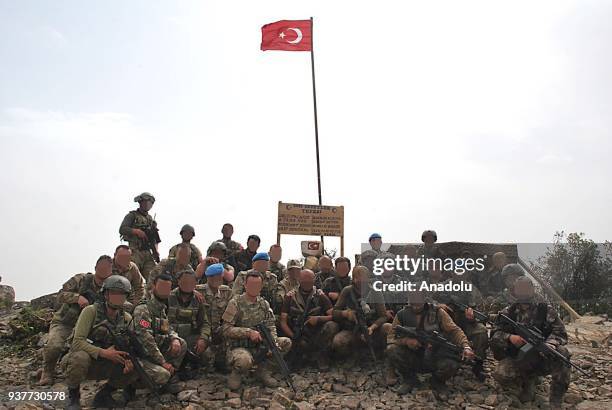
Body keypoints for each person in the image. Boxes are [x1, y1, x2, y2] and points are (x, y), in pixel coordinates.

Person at [490, 277, 571, 408]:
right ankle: (527, 382)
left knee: (563, 355)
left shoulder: (545, 310)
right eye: (519, 289)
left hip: (542, 356)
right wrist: (510, 337)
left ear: (533, 289)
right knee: (501, 374)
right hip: (519, 357)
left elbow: (560, 333)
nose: (523, 292)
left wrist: (550, 343)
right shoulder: (508, 312)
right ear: (515, 291)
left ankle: (556, 400)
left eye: (526, 288)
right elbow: (494, 334)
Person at [62, 275, 138, 409]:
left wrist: (128, 360)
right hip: (85, 361)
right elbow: (77, 342)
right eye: (114, 293)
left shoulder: (127, 319)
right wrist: (104, 353)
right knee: (79, 357)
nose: (118, 297)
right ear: (106, 294)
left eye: (121, 294)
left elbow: (129, 344)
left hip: (108, 363)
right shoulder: (90, 311)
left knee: (135, 365)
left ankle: (105, 394)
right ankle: (73, 396)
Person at [40, 255, 113, 386]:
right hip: (65, 322)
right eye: (101, 268)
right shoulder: (81, 279)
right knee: (54, 346)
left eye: (107, 269)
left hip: (88, 326)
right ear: (96, 267)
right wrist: (77, 297)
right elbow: (61, 295)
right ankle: (47, 371)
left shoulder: (109, 288)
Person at [385, 289, 475, 394]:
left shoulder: (438, 312)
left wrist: (466, 346)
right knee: (391, 349)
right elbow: (391, 337)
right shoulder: (401, 315)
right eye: (413, 303)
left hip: (435, 355)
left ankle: (437, 381)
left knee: (452, 363)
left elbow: (455, 331)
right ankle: (410, 380)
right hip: (413, 356)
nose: (416, 306)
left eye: (419, 303)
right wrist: (406, 341)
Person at [222, 271, 292, 390]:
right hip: (240, 346)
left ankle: (263, 370)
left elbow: (271, 325)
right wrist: (248, 332)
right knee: (244, 361)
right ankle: (237, 373)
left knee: (285, 343)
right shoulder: (235, 303)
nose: (254, 288)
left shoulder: (264, 304)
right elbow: (226, 329)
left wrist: (273, 342)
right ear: (245, 285)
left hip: (260, 345)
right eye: (251, 285)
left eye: (257, 285)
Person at [132, 274, 187, 391]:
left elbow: (167, 328)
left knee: (181, 343)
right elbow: (146, 340)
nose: (164, 291)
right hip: (143, 355)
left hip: (156, 351)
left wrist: (174, 338)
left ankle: (170, 375)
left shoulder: (161, 308)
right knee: (163, 375)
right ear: (153, 286)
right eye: (161, 287)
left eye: (167, 288)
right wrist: (162, 362)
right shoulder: (143, 310)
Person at [279, 269, 338, 368]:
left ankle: (321, 355)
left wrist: (319, 319)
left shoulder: (320, 296)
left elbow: (333, 316)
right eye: (304, 281)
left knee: (332, 326)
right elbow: (283, 321)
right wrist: (293, 336)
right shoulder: (290, 296)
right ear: (299, 280)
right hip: (299, 334)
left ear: (314, 280)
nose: (307, 283)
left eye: (309, 280)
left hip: (317, 333)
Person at [331, 266, 392, 358]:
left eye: (363, 277)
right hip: (352, 330)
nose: (360, 280)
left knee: (389, 328)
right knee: (338, 341)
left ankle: (383, 353)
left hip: (373, 329)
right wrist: (346, 314)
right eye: (357, 277)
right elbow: (335, 312)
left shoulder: (375, 292)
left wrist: (372, 327)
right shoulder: (347, 291)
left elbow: (383, 316)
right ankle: (353, 356)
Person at [167, 269, 211, 376]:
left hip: (190, 336)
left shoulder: (198, 300)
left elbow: (205, 323)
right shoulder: (168, 297)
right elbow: (162, 321)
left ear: (196, 284)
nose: (188, 284)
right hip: (171, 337)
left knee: (208, 354)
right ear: (178, 281)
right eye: (185, 281)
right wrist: (173, 338)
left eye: (192, 282)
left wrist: (203, 339)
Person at [196, 263, 233, 371]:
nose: (216, 279)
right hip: (202, 331)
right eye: (212, 277)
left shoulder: (226, 292)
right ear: (208, 277)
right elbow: (181, 290)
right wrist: (193, 292)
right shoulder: (198, 290)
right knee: (205, 357)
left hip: (219, 331)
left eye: (218, 276)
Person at [119, 192, 160, 281]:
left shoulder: (150, 220)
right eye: (145, 202)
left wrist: (156, 251)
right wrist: (136, 231)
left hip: (147, 252)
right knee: (129, 277)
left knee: (154, 279)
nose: (147, 204)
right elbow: (122, 229)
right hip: (134, 251)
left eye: (149, 203)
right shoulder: (132, 216)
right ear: (140, 202)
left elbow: (155, 238)